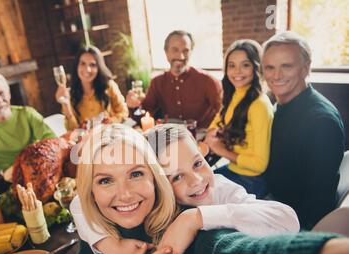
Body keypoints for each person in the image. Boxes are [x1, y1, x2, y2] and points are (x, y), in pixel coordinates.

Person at [72, 123, 349, 254]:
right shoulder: (122, 222)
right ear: (159, 183)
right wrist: (109, 245)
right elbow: (79, 203)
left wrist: (196, 218)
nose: (196, 180)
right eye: (176, 177)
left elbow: (282, 224)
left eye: (197, 163)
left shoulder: (218, 191)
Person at [262, 31, 345, 229]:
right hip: (271, 201)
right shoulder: (280, 106)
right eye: (269, 67)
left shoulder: (321, 122)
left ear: (306, 68)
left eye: (286, 66)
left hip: (291, 220)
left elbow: (318, 204)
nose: (276, 75)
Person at [205, 40, 273, 198]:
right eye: (232, 65)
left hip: (251, 180)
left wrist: (220, 149)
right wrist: (211, 134)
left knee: (192, 198)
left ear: (256, 67)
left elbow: (259, 165)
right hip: (233, 169)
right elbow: (215, 123)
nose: (237, 72)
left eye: (245, 65)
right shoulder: (234, 94)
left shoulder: (259, 106)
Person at [126, 30, 222, 128]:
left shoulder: (208, 81)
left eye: (186, 51)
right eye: (175, 50)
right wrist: (132, 106)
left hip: (201, 137)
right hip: (171, 137)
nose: (181, 56)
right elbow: (144, 115)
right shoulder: (157, 82)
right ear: (166, 52)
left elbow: (225, 114)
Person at [55, 46, 128, 130]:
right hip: (87, 140)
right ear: (77, 66)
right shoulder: (69, 95)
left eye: (92, 65)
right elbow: (72, 130)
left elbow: (123, 112)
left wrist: (111, 121)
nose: (87, 69)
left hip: (110, 135)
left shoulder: (109, 86)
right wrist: (66, 105)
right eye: (83, 64)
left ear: (99, 67)